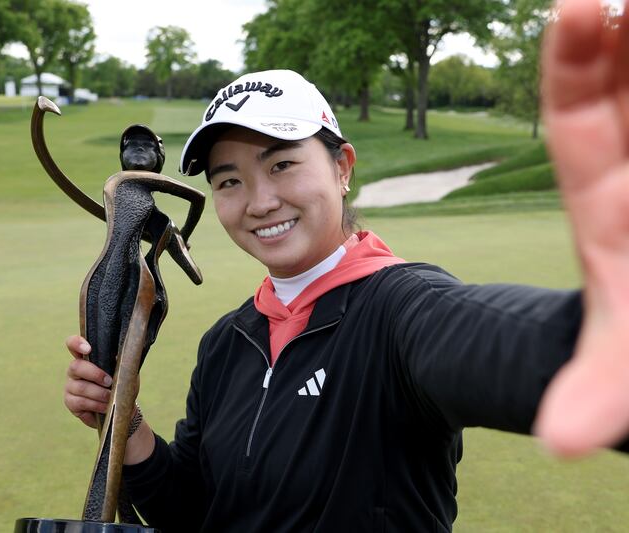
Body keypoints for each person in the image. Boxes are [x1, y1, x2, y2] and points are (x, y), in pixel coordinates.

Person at [63, 0, 629, 530]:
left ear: (343, 167)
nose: (259, 201)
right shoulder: (226, 343)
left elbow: (498, 341)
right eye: (229, 180)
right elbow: (197, 508)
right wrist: (127, 426)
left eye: (282, 164)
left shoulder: (402, 309)